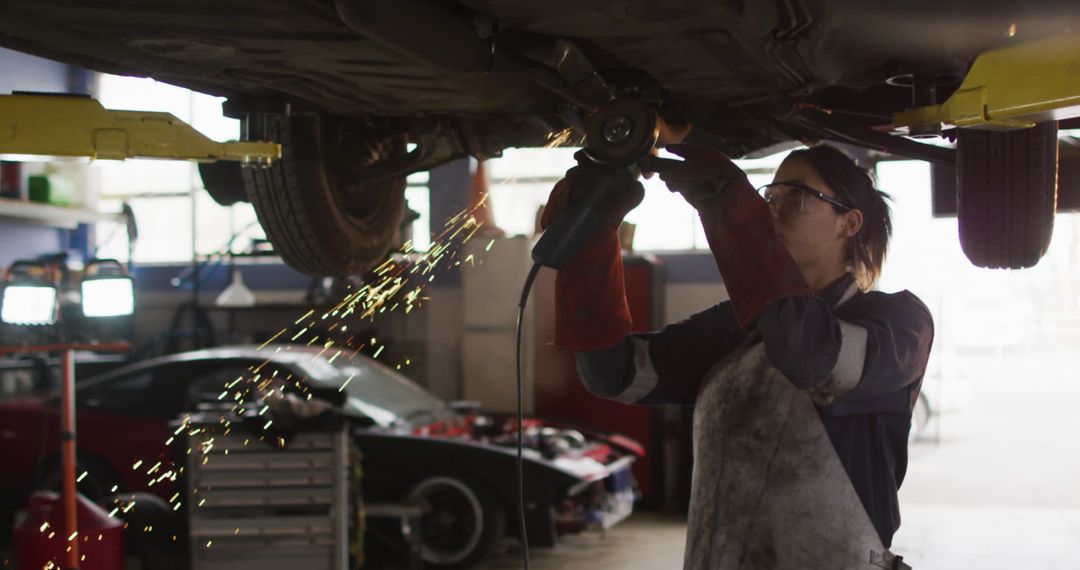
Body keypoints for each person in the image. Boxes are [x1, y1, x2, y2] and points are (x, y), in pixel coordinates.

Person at [542, 143, 933, 569]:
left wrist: (726, 204)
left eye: (797, 197)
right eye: (769, 198)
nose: (771, 212)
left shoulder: (899, 324)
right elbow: (612, 372)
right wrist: (592, 240)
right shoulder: (735, 328)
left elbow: (810, 355)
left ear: (850, 223)